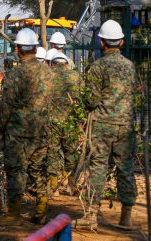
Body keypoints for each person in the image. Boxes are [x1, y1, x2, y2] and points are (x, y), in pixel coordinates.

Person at [72, 20, 138, 230]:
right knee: (125, 168)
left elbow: (91, 100)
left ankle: (91, 215)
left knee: (98, 167)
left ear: (102, 43)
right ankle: (125, 218)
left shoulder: (97, 67)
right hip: (125, 126)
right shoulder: (130, 66)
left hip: (102, 125)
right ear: (121, 41)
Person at [0, 28, 55, 226]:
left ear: (18, 49)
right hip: (41, 131)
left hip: (18, 134)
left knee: (16, 171)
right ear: (36, 49)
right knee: (39, 170)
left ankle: (14, 214)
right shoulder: (48, 72)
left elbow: (6, 106)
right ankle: (41, 211)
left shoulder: (14, 75)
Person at [47, 52, 81, 197]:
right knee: (71, 152)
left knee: (52, 152)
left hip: (51, 121)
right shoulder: (75, 76)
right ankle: (70, 185)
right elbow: (81, 98)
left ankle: (54, 188)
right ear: (66, 63)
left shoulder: (47, 75)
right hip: (70, 121)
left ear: (52, 64)